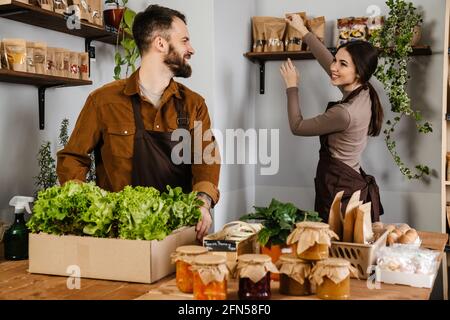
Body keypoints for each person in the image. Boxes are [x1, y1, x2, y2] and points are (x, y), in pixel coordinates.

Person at [57, 5, 220, 240]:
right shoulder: (103, 101)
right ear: (160, 43)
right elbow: (72, 158)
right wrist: (88, 205)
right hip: (120, 238)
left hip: (178, 235)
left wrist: (202, 202)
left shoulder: (193, 105)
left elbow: (206, 161)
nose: (191, 49)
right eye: (184, 40)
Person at [279, 14, 384, 222]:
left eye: (342, 64)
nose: (334, 68)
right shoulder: (365, 90)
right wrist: (303, 30)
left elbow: (297, 126)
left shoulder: (344, 113)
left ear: (358, 73)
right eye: (336, 59)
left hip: (338, 189)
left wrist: (292, 86)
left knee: (334, 248)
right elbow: (329, 63)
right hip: (349, 180)